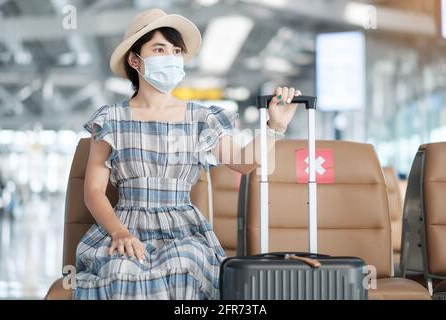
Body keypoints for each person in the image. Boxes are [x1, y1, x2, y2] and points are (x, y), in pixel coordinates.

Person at [74, 8, 300, 300]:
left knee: (185, 264)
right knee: (120, 270)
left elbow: (244, 163)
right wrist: (120, 233)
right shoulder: (111, 119)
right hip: (125, 224)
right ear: (134, 60)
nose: (170, 57)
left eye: (176, 51)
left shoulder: (200, 118)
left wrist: (274, 126)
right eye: (159, 49)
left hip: (183, 228)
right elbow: (93, 191)